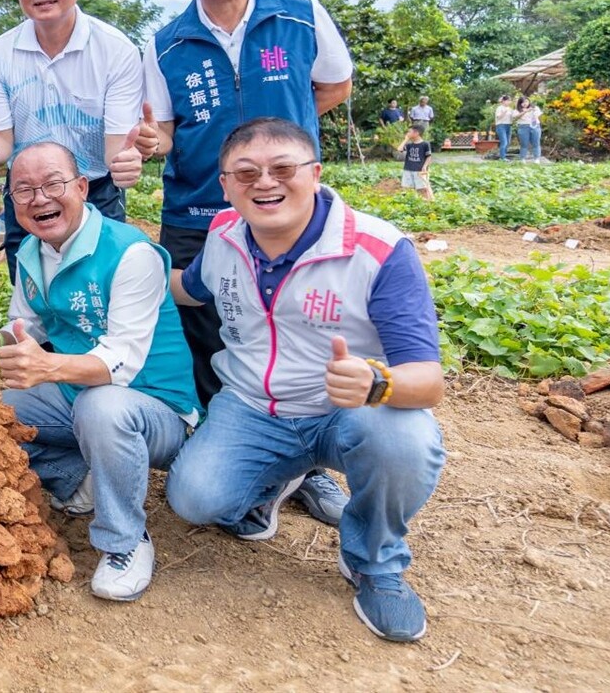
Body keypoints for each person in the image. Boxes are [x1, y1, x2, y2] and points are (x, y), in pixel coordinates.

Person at [109, 0, 354, 526]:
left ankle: (308, 474)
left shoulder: (303, 19)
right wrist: (147, 146)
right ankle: (234, 460)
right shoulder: (166, 44)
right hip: (196, 212)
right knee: (208, 335)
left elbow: (333, 88)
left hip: (291, 215)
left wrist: (273, 162)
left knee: (300, 332)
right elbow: (162, 131)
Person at [164, 118, 445, 643]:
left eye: (283, 169)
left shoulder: (379, 250)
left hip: (350, 413)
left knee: (404, 438)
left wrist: (375, 383)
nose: (264, 183)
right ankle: (277, 483)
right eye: (245, 173)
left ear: (314, 173)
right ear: (224, 185)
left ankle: (375, 563)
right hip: (252, 408)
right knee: (195, 500)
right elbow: (191, 288)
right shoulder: (225, 234)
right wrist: (123, 267)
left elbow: (428, 382)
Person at [0, 143, 198, 602]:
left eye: (53, 185)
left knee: (103, 406)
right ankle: (78, 481)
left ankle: (125, 541)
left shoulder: (131, 252)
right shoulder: (32, 254)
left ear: (82, 187)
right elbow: (31, 325)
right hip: (80, 394)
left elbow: (121, 361)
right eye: (23, 190)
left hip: (154, 407)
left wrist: (48, 365)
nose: (40, 199)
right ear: (12, 202)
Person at [0, 0, 144, 276]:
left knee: (102, 285)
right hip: (27, 193)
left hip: (95, 189)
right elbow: (2, 143)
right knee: (33, 291)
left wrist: (125, 163)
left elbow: (115, 149)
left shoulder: (116, 50)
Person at [399, 124, 434, 202]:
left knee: (422, 188)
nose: (407, 133)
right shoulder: (409, 145)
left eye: (409, 132)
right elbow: (399, 149)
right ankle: (410, 202)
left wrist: (425, 166)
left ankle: (426, 202)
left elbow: (429, 157)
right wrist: (405, 139)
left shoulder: (425, 144)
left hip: (419, 170)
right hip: (408, 169)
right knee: (407, 188)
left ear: (416, 133)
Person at [516, 96, 543, 162]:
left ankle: (536, 158)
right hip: (523, 127)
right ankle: (522, 158)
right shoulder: (517, 110)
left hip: (535, 126)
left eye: (526, 101)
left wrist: (533, 110)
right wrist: (525, 111)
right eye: (522, 102)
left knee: (536, 143)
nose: (524, 103)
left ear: (529, 102)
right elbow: (516, 117)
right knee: (524, 144)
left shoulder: (535, 107)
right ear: (520, 104)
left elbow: (538, 115)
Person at [493, 95, 517, 161]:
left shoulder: (510, 109)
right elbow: (498, 117)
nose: (509, 102)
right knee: (504, 142)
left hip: (508, 126)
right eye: (508, 100)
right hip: (501, 126)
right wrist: (504, 112)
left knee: (508, 142)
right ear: (503, 101)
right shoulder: (499, 108)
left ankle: (504, 156)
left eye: (510, 100)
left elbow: (513, 117)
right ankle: (502, 157)